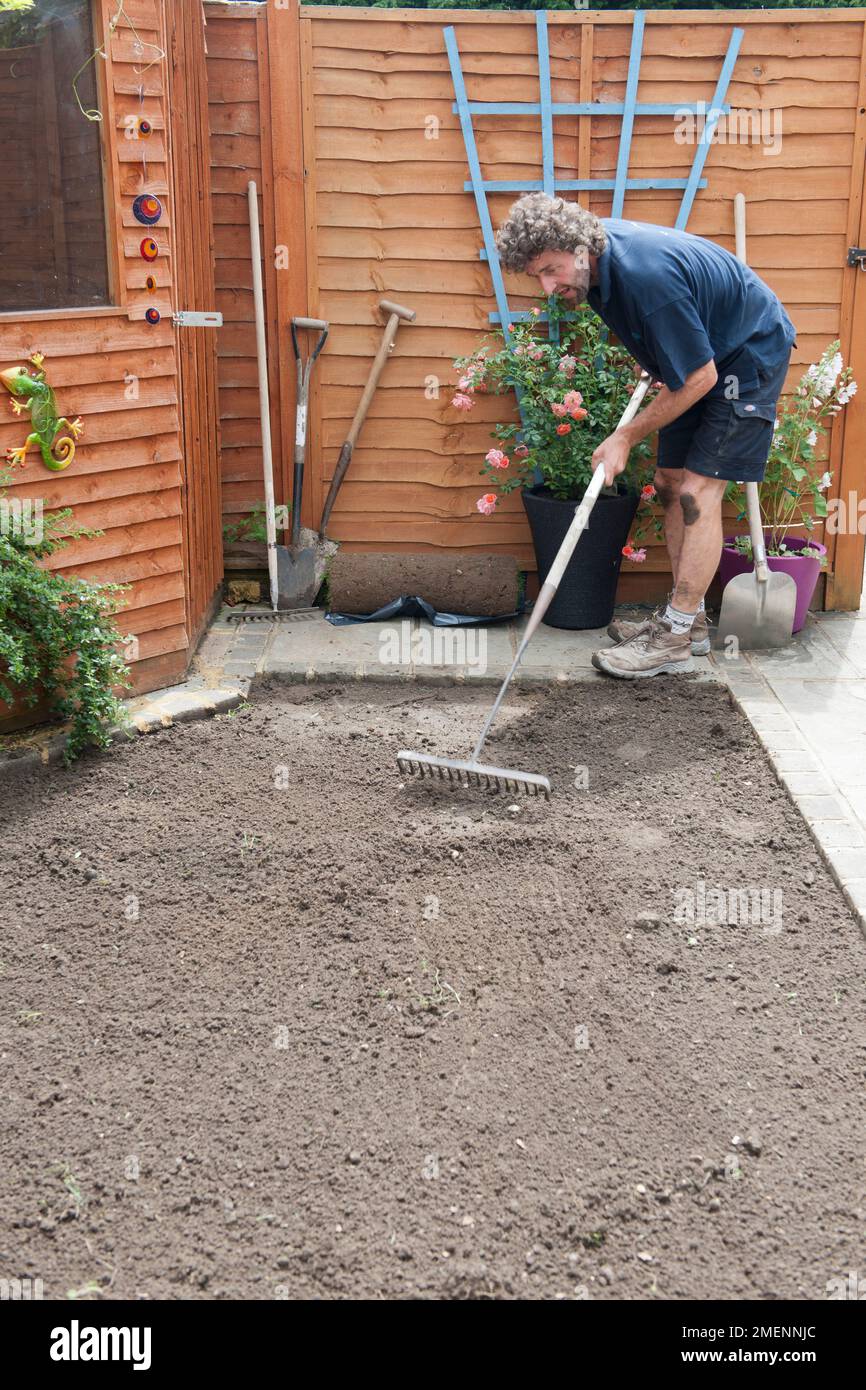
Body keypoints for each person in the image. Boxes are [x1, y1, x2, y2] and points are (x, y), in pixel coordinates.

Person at [494, 194, 797, 678]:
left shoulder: (646, 277)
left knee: (698, 492)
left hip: (747, 358)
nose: (549, 285)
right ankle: (689, 621)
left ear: (577, 249)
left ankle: (673, 637)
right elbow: (676, 339)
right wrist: (659, 350)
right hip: (707, 355)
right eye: (537, 276)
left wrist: (624, 436)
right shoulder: (591, 265)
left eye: (551, 270)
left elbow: (701, 377)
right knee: (671, 481)